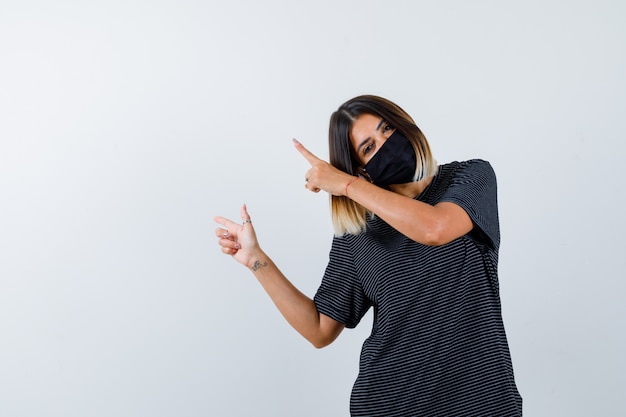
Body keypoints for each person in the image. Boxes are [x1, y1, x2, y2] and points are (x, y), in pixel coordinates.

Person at [215, 95, 522, 416]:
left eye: (387, 128)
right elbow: (320, 329)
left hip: (484, 404)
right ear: (363, 168)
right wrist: (255, 260)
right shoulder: (358, 232)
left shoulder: (468, 179)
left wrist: (346, 185)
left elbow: (435, 229)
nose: (386, 142)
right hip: (389, 405)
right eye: (369, 147)